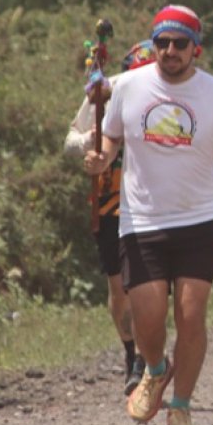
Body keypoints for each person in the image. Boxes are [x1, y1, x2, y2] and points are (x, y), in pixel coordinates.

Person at [84, 6, 213, 425]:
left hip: (201, 219)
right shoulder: (128, 86)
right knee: (147, 316)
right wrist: (102, 156)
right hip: (143, 220)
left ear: (195, 48)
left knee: (191, 315)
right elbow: (111, 135)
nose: (170, 51)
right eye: (162, 42)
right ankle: (156, 370)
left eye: (180, 43)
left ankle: (180, 407)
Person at [64, 39, 157, 395]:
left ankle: (147, 362)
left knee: (151, 286)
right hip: (111, 204)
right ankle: (131, 352)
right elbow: (70, 140)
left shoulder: (170, 95)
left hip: (154, 204)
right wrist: (91, 140)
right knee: (119, 288)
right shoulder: (106, 92)